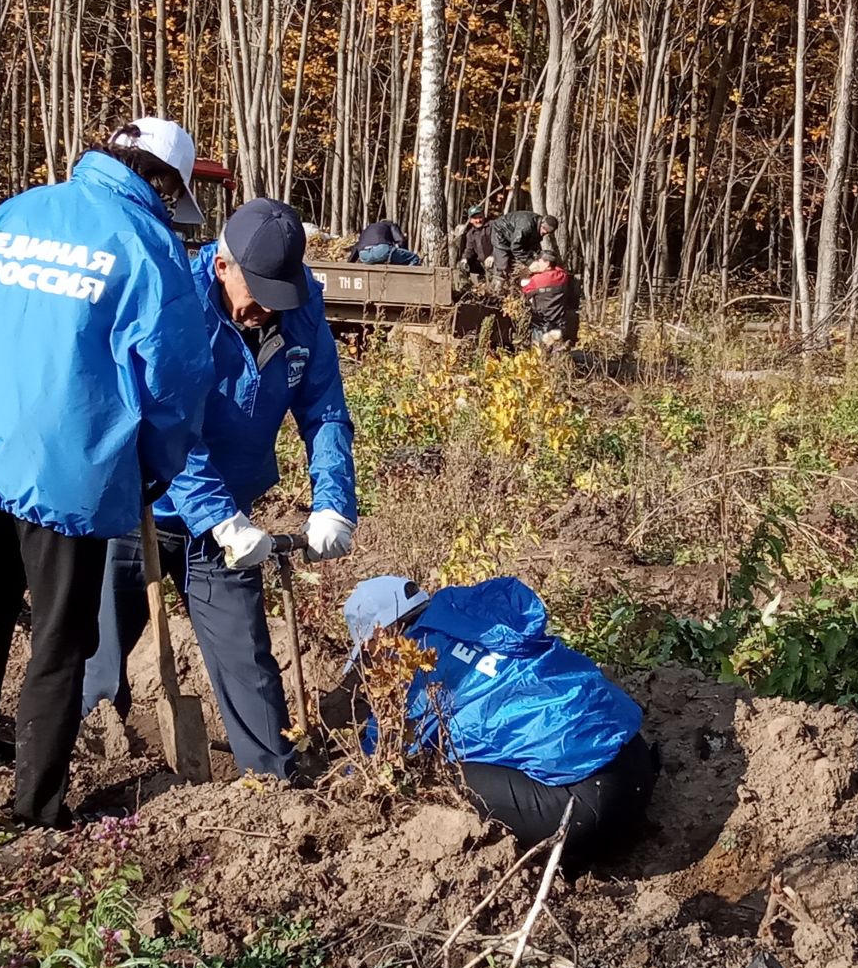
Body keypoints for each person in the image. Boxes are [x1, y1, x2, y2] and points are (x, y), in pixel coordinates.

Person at [0, 118, 215, 828]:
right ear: (166, 183)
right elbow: (178, 380)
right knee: (61, 636)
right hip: (66, 467)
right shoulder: (149, 247)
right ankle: (38, 809)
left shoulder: (17, 210)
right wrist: (154, 465)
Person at [83, 198, 359, 779]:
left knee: (249, 664)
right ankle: (87, 763)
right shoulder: (177, 300)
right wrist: (217, 515)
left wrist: (333, 500)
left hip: (228, 517)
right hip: (142, 508)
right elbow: (172, 420)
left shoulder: (299, 308)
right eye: (256, 291)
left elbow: (325, 410)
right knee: (99, 653)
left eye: (278, 294)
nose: (265, 309)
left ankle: (275, 784)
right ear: (222, 267)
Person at [342, 575, 657, 866]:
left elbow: (381, 759)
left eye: (369, 654)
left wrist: (341, 782)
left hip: (586, 809)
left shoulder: (412, 664)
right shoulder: (475, 620)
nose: (371, 666)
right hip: (635, 759)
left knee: (431, 776)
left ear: (381, 636)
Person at [520, 255, 580, 352]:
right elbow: (560, 270)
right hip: (559, 321)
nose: (538, 264)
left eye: (540, 262)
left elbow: (524, 291)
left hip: (542, 322)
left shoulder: (537, 279)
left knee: (539, 351)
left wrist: (531, 273)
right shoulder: (562, 276)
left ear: (547, 264)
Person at [349, 219, 421, 266]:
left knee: (383, 257)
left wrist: (348, 264)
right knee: (414, 258)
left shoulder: (369, 228)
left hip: (364, 254)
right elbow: (400, 240)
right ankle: (406, 280)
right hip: (381, 251)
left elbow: (356, 247)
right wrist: (403, 256)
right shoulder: (390, 225)